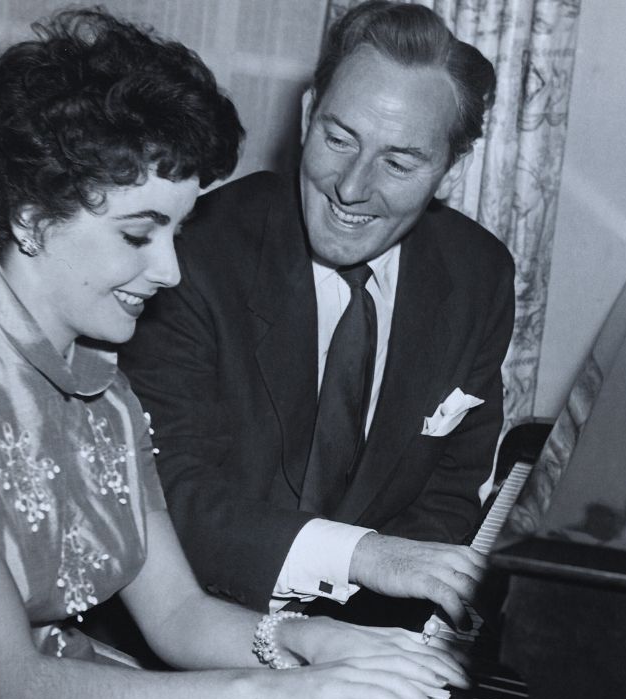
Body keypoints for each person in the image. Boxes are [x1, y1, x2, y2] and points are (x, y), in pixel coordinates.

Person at [0, 10, 466, 699]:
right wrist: (277, 694)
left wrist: (319, 641)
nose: (169, 270)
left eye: (177, 231)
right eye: (139, 234)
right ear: (31, 220)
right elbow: (21, 696)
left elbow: (178, 615)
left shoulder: (105, 391)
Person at [120, 1, 515, 626]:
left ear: (450, 168)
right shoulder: (192, 256)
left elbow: (451, 485)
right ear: (308, 114)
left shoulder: (478, 275)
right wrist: (359, 561)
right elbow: (169, 497)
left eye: (399, 162)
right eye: (338, 139)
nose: (351, 188)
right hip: (196, 623)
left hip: (369, 625)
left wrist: (367, 632)